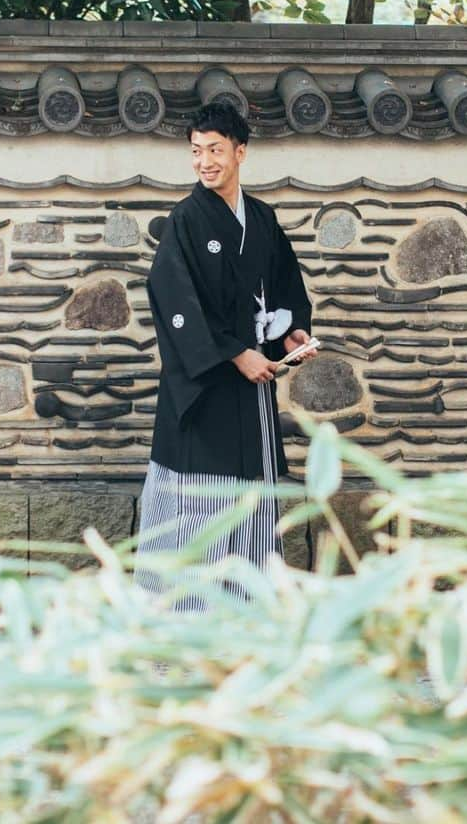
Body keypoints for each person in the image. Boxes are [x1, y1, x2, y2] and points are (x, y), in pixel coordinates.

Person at [135, 103, 315, 608]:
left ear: (241, 152)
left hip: (255, 387)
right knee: (202, 499)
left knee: (255, 496)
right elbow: (175, 301)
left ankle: (252, 606)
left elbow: (284, 285)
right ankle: (187, 612)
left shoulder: (261, 218)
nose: (204, 162)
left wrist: (292, 333)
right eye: (196, 151)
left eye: (215, 150)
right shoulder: (187, 220)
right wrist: (236, 354)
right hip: (207, 388)